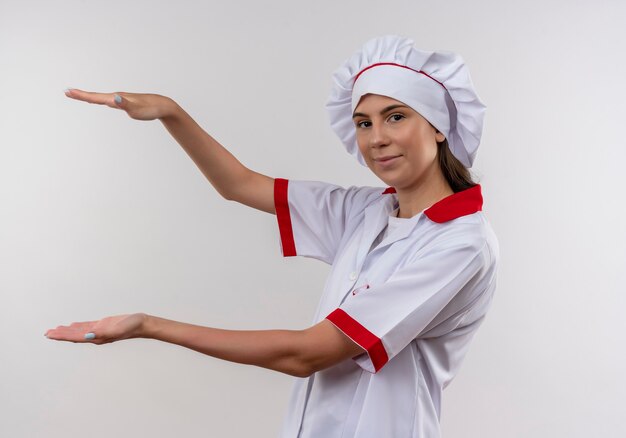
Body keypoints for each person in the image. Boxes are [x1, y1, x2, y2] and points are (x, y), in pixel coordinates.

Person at [46, 35, 499, 437]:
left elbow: (306, 354)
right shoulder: (368, 210)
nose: (376, 138)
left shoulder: (459, 243)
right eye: (363, 122)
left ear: (439, 126)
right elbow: (240, 185)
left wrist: (150, 326)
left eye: (395, 117)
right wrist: (171, 113)